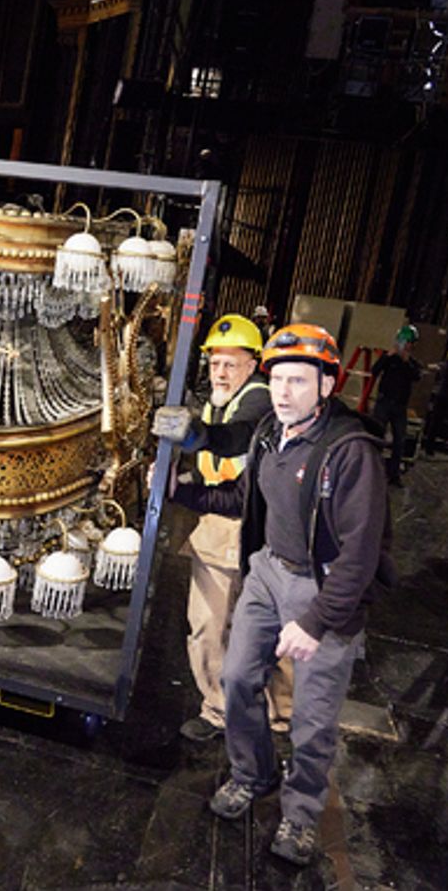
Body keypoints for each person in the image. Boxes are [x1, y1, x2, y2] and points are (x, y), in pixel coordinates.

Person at [154, 323, 393, 866]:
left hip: (325, 588)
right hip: (266, 572)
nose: (284, 392)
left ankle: (301, 815)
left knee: (311, 717)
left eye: (299, 381)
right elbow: (245, 496)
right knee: (237, 678)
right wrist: (185, 490)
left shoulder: (350, 452)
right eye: (278, 379)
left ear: (327, 386)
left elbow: (360, 552)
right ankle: (252, 772)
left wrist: (316, 621)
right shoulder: (269, 433)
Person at [175, 314, 292, 742]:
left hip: (259, 531)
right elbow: (214, 474)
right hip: (219, 529)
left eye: (231, 363)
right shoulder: (216, 402)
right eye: (214, 363)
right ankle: (220, 708)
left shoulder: (260, 402)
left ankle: (282, 714)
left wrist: (199, 438)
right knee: (208, 623)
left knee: (271, 629)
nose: (220, 372)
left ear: (253, 365)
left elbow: (236, 439)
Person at [369, 324, 423, 486]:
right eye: (406, 342)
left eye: (410, 343)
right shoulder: (389, 358)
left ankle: (393, 475)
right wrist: (387, 356)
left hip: (399, 406)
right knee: (376, 437)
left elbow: (416, 376)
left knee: (399, 441)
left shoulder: (412, 363)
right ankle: (372, 471)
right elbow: (374, 371)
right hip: (384, 402)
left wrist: (406, 361)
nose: (407, 346)